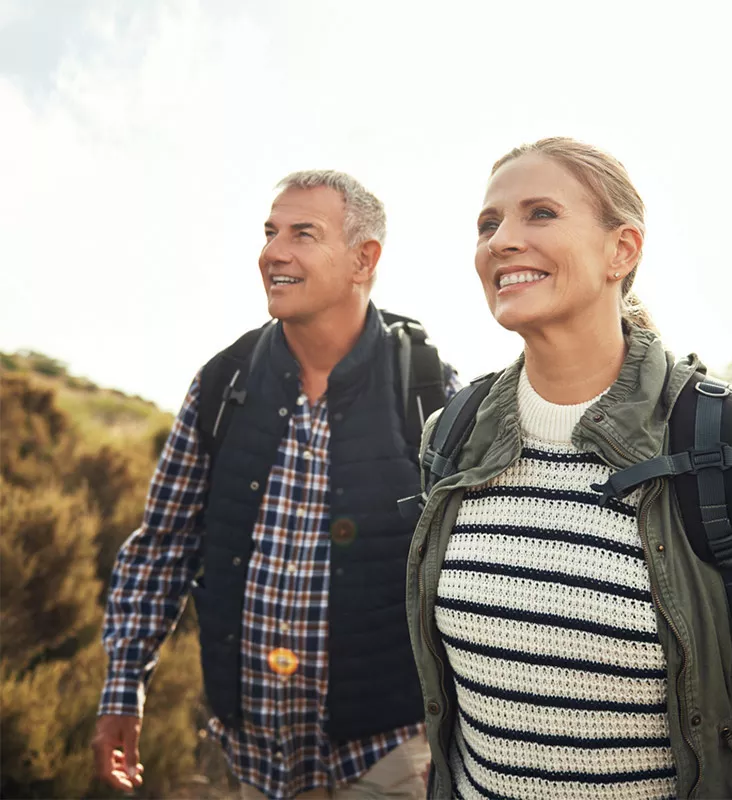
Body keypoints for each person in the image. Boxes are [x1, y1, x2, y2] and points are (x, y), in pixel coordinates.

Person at [407, 138, 732, 799]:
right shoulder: (451, 438)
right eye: (488, 223)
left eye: (540, 213)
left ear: (622, 251)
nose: (503, 240)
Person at [92, 170, 459, 799]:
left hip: (390, 754)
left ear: (363, 260)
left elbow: (463, 573)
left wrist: (457, 735)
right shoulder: (222, 384)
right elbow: (162, 547)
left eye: (303, 234)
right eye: (270, 232)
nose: (272, 252)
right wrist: (124, 689)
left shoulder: (427, 387)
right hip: (253, 760)